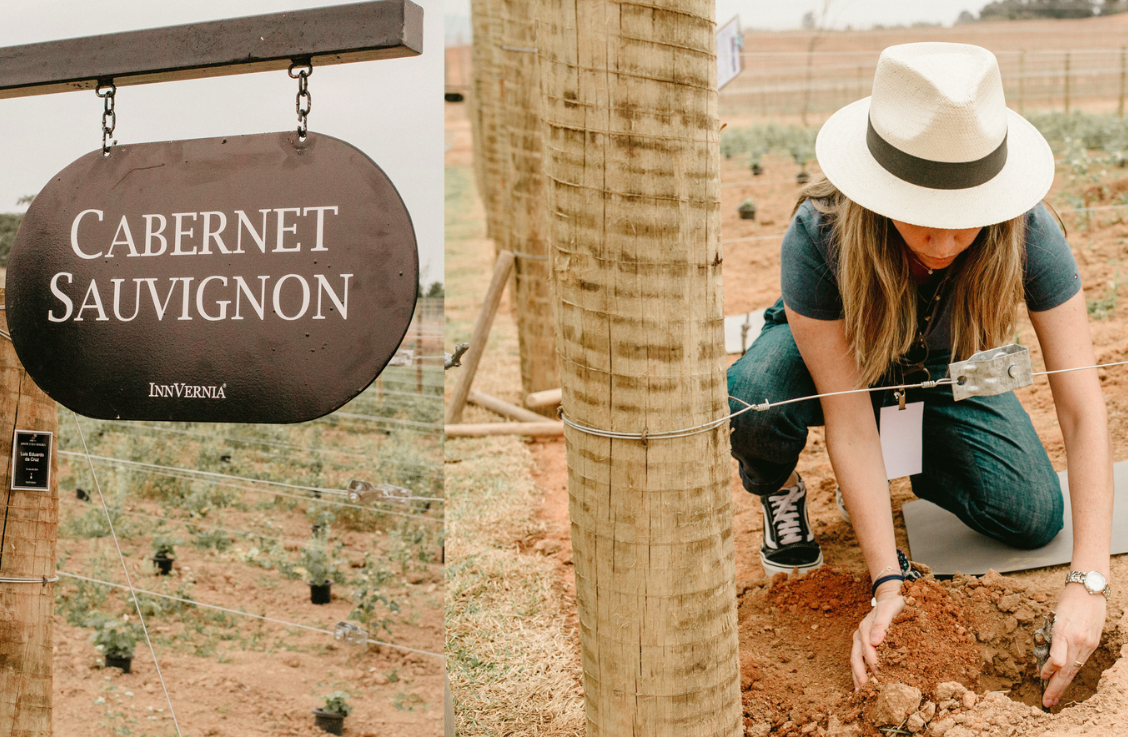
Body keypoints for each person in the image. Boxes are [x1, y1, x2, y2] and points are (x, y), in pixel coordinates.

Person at [726, 43, 1112, 710]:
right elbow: (847, 418)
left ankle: (895, 473)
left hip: (938, 372)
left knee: (1034, 512)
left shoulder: (1028, 230)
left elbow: (1082, 407)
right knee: (757, 391)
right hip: (841, 359)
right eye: (922, 220)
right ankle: (779, 489)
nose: (942, 244)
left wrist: (1089, 581)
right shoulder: (822, 232)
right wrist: (889, 584)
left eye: (964, 224)